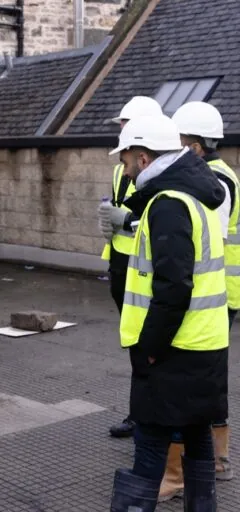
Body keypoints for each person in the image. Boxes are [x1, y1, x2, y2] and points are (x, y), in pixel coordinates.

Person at [108, 114, 229, 512]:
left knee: (150, 446)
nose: (123, 169)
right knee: (195, 437)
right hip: (205, 344)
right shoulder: (196, 194)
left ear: (143, 159)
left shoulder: (169, 204)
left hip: (173, 350)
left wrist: (149, 349)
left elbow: (173, 287)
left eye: (125, 160)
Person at [173, 100, 235, 482]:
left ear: (196, 146)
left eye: (180, 142)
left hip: (217, 292)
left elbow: (209, 235)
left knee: (208, 379)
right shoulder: (214, 173)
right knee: (207, 378)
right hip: (217, 289)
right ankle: (211, 458)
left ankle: (217, 460)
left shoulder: (215, 182)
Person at [99, 96, 164, 440]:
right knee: (135, 344)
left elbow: (155, 222)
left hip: (145, 269)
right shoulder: (119, 168)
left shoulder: (156, 172)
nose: (120, 131)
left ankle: (144, 416)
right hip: (120, 263)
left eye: (125, 126)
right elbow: (118, 206)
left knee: (146, 345)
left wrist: (126, 221)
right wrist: (109, 219)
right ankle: (141, 413)